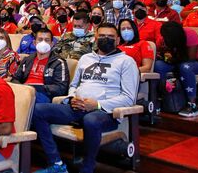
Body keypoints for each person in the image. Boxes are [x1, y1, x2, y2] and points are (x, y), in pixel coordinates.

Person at [32, 23, 139, 173]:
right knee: (37, 110)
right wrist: (71, 98)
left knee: (91, 120)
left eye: (110, 37)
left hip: (105, 113)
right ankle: (56, 163)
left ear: (118, 40)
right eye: (102, 36)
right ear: (95, 37)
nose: (105, 39)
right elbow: (74, 85)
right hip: (77, 107)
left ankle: (88, 167)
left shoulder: (126, 62)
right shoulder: (86, 58)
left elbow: (129, 98)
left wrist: (98, 104)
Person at [154, 22, 198, 117]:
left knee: (185, 67)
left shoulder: (190, 34)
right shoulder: (163, 40)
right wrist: (162, 55)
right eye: (164, 36)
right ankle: (160, 99)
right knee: (158, 65)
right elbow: (159, 53)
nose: (165, 38)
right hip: (176, 63)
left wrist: (172, 59)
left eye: (168, 37)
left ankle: (192, 106)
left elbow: (190, 58)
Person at [12, 29, 69, 103]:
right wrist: (23, 88)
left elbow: (61, 88)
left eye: (47, 40)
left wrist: (35, 88)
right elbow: (15, 79)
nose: (43, 43)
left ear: (52, 44)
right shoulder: (27, 59)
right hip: (23, 91)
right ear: (34, 43)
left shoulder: (58, 62)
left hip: (43, 95)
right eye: (40, 39)